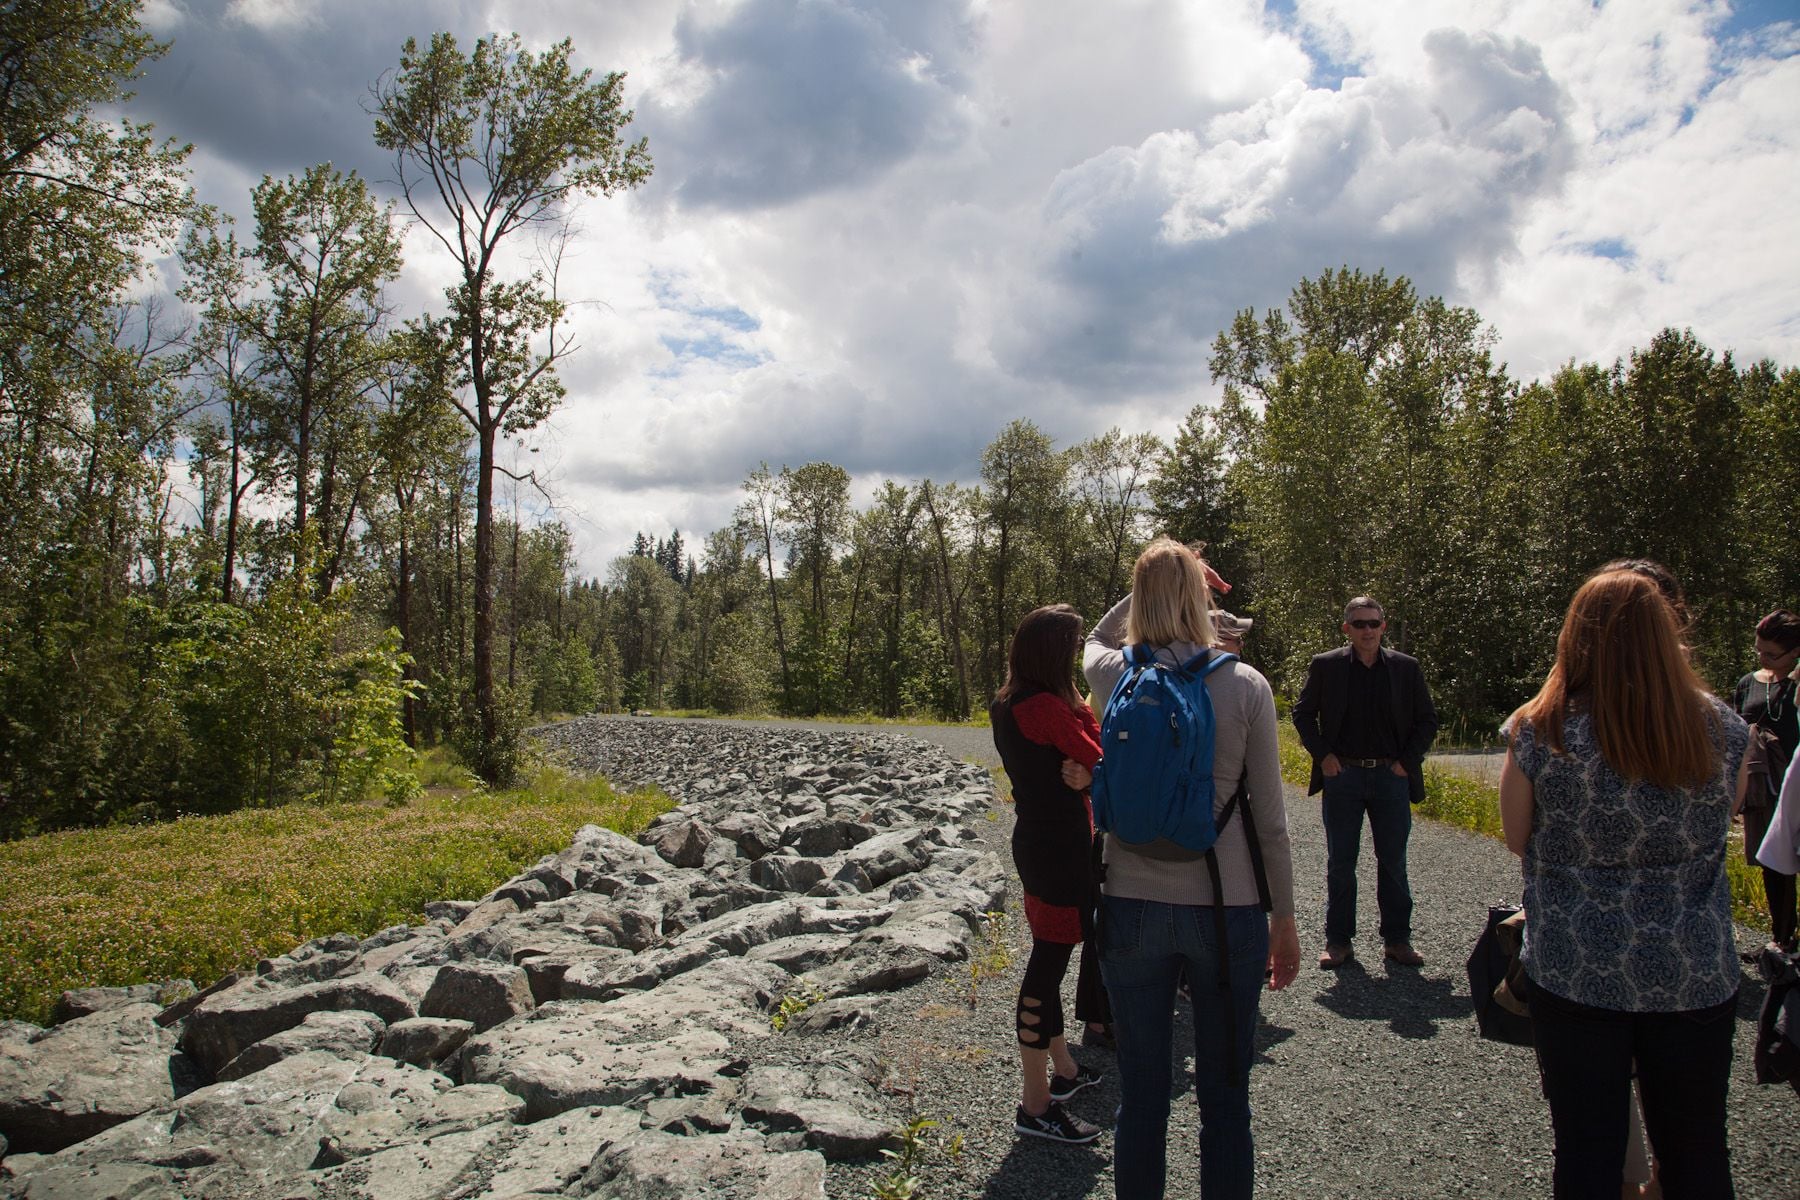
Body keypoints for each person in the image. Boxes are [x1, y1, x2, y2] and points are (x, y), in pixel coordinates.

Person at [1499, 568, 1749, 1197]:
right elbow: (1725, 818)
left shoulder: (1540, 728)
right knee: (1697, 1148)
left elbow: (1517, 835)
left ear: (1576, 637)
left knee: (1587, 1148)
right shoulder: (1723, 728)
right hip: (1693, 965)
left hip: (1577, 964)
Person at [1080, 538, 1299, 1199]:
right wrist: (1284, 919)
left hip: (1130, 903)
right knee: (1226, 1101)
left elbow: (1094, 637)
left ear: (1141, 599)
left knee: (1143, 1097)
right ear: (1202, 601)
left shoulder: (1114, 676)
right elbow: (1271, 823)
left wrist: (1155, 580)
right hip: (1226, 908)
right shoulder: (1246, 686)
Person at [990, 604, 1109, 1145]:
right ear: (1055, 652)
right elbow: (1100, 754)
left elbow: (1089, 751)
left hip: (1041, 843)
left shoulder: (1011, 700)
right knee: (1047, 965)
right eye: (1074, 645)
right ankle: (1034, 1104)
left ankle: (1063, 1070)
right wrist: (1088, 760)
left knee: (1052, 955)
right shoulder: (1043, 707)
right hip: (1059, 848)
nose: (1078, 653)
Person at [1292, 596, 1438, 969]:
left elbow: (1427, 720)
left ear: (1383, 627)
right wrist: (1323, 756)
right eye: (1359, 624)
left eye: (1374, 623)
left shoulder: (1406, 668)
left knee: (1393, 861)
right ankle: (1338, 942)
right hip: (1344, 776)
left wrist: (1407, 763)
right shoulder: (1326, 666)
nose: (1368, 630)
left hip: (1391, 777)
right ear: (1347, 629)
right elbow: (1303, 714)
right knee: (1341, 862)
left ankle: (1397, 940)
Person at [1734, 610, 1800, 951]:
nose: (1762, 658)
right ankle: (1781, 939)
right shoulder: (1748, 683)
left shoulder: (1798, 685)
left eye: (1771, 654)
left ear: (1795, 652)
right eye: (1758, 650)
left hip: (1794, 786)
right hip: (1762, 787)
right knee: (1772, 863)